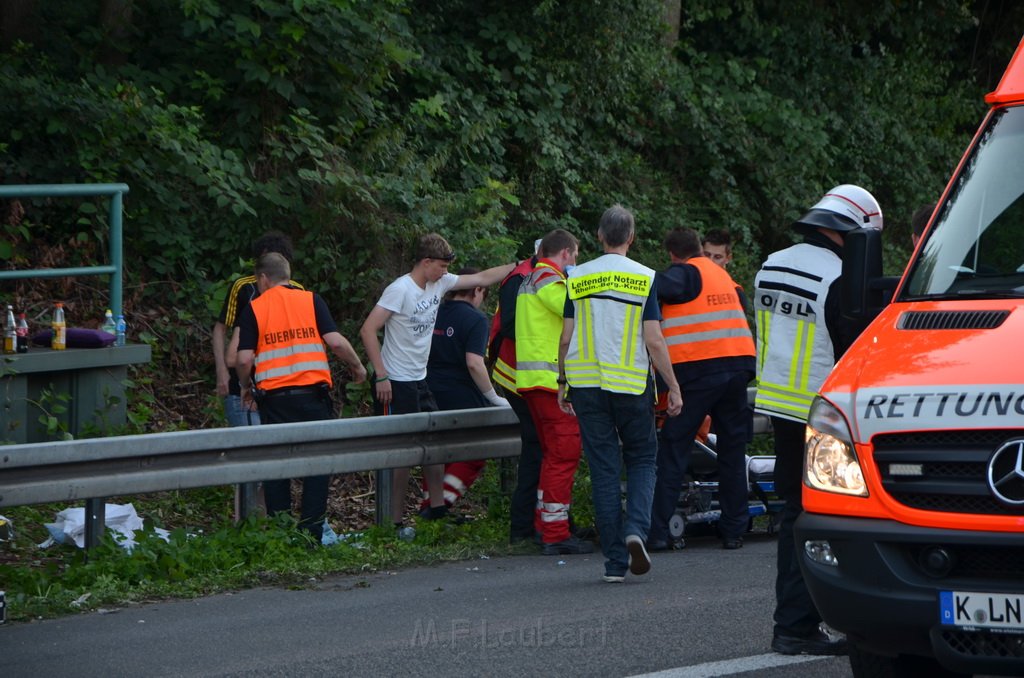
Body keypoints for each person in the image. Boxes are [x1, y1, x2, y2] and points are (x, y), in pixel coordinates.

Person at [754, 184, 882, 655]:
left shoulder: (770, 264)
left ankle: (795, 623)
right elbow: (853, 348)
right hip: (824, 411)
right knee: (831, 515)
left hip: (778, 402)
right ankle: (799, 623)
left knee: (794, 513)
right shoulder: (839, 276)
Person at [557, 205, 682, 582]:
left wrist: (563, 381)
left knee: (604, 469)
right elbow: (654, 340)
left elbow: (565, 336)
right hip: (630, 384)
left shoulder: (577, 276)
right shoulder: (645, 277)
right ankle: (635, 531)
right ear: (631, 238)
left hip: (586, 384)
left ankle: (613, 564)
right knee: (643, 459)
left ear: (598, 236)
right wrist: (673, 386)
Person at [359, 234, 513, 532]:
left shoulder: (439, 283)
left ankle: (437, 509)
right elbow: (368, 330)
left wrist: (522, 264)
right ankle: (392, 521)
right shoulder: (400, 290)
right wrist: (381, 374)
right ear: (426, 262)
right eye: (441, 267)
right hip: (396, 381)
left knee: (435, 444)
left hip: (420, 378)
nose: (445, 273)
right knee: (403, 454)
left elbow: (482, 277)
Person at [234, 253, 367, 541]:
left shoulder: (254, 308)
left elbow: (244, 359)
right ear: (287, 275)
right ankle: (311, 533)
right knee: (318, 465)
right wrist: (357, 366)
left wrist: (246, 387)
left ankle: (282, 533)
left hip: (275, 400)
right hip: (313, 396)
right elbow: (335, 342)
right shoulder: (311, 300)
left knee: (277, 465)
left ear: (263, 279)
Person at [647, 228, 756, 552]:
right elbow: (741, 303)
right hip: (738, 367)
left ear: (672, 255)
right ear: (698, 248)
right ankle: (734, 530)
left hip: (700, 370)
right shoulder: (723, 277)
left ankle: (658, 532)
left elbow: (656, 287)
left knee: (674, 446)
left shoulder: (684, 273)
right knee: (732, 452)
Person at [514, 229, 593, 555]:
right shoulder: (549, 279)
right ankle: (556, 533)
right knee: (564, 455)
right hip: (551, 382)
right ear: (566, 253)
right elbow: (576, 313)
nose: (575, 262)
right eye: (574, 256)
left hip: (535, 382)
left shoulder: (531, 278)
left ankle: (545, 524)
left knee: (552, 457)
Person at [419, 267, 509, 515]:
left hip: (428, 389)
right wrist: (492, 396)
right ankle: (440, 504)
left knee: (437, 453)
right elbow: (474, 362)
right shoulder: (475, 319)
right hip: (462, 394)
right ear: (477, 290)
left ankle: (431, 505)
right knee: (474, 453)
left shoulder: (433, 310)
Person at [488, 243, 547, 544]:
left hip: (526, 373)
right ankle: (525, 527)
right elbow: (512, 325)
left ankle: (538, 522)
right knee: (538, 449)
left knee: (542, 450)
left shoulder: (532, 275)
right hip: (518, 374)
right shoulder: (522, 278)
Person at [213, 230, 302, 428]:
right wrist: (221, 371)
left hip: (280, 385)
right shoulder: (243, 287)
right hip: (243, 383)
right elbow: (221, 330)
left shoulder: (298, 291)